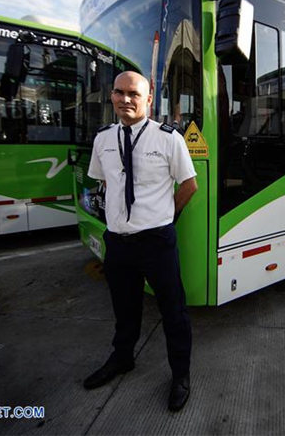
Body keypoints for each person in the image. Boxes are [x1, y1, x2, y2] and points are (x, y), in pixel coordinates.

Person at [83, 71, 198, 412]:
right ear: (112, 97)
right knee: (124, 308)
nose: (125, 99)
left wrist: (163, 217)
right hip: (118, 242)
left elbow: (189, 185)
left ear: (149, 100)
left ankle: (180, 375)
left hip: (156, 242)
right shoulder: (103, 139)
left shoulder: (168, 139)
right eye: (118, 92)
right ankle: (122, 359)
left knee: (173, 312)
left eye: (134, 93)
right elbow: (106, 183)